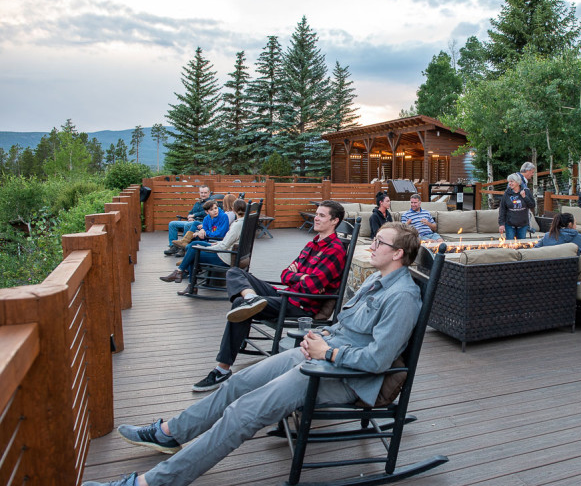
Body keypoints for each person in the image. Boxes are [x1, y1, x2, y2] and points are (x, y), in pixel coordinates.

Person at [82, 223, 423, 486]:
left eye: (379, 241)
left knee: (242, 413)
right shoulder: (375, 281)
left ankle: (154, 481)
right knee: (238, 383)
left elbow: (378, 360)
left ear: (397, 254)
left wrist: (329, 352)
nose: (371, 245)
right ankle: (171, 432)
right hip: (322, 355)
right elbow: (346, 325)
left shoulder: (403, 297)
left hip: (345, 377)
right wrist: (320, 336)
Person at [191, 200, 347, 393]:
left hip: (300, 305)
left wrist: (296, 276)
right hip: (287, 294)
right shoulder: (311, 244)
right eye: (316, 213)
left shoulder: (336, 250)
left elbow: (312, 286)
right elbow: (284, 274)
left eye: (322, 215)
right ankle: (251, 298)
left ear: (334, 221)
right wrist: (300, 276)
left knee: (239, 305)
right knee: (235, 272)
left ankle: (221, 369)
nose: (316, 217)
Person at [160, 199, 248, 294]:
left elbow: (223, 246)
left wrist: (207, 248)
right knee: (192, 245)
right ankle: (180, 271)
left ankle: (186, 280)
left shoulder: (237, 225)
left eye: (215, 208)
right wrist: (211, 240)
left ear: (234, 210)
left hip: (225, 256)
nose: (215, 210)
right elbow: (227, 242)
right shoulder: (245, 222)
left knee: (193, 253)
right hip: (228, 251)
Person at [164, 185, 213, 256]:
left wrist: (194, 215)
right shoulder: (198, 203)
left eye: (205, 193)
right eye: (201, 193)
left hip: (201, 222)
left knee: (187, 225)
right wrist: (190, 217)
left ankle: (183, 248)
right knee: (172, 224)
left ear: (209, 193)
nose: (203, 194)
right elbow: (191, 212)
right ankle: (173, 246)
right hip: (192, 221)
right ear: (199, 193)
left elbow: (206, 213)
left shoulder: (211, 203)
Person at [498, 173, 536, 240]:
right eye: (509, 182)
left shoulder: (526, 191)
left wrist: (525, 197)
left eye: (512, 181)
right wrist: (501, 224)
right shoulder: (506, 194)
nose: (509, 183)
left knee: (521, 245)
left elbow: (532, 205)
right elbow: (502, 209)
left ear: (518, 182)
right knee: (510, 244)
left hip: (523, 224)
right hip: (510, 224)